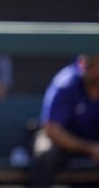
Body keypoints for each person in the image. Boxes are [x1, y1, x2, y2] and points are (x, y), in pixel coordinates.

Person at [28, 54, 99, 187]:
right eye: (91, 64)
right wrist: (90, 148)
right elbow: (51, 130)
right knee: (44, 152)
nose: (95, 69)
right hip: (64, 141)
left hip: (95, 141)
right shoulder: (66, 82)